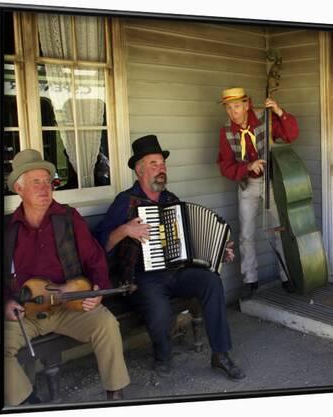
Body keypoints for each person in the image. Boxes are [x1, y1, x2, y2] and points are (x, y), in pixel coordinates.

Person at [94, 135, 245, 380]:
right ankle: (162, 356)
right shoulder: (125, 202)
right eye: (154, 164)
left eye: (163, 164)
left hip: (177, 272)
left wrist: (218, 251)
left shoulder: (171, 201)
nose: (161, 168)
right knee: (158, 305)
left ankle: (221, 353)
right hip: (142, 278)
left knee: (212, 281)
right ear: (139, 169)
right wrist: (124, 230)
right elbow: (100, 245)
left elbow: (191, 244)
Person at [3, 149, 130, 406]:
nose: (44, 188)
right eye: (35, 182)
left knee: (106, 325)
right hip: (25, 313)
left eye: (47, 181)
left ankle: (115, 396)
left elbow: (95, 259)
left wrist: (98, 291)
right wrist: (5, 302)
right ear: (19, 188)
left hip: (68, 306)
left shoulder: (69, 218)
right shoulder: (6, 229)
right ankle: (27, 402)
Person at [216, 87, 299, 298]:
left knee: (279, 229)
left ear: (247, 105)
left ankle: (287, 275)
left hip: (272, 180)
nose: (232, 112)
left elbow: (291, 135)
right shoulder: (226, 130)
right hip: (247, 184)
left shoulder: (265, 117)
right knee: (245, 234)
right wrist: (247, 167)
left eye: (236, 106)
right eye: (228, 107)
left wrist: (280, 112)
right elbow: (225, 166)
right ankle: (250, 280)